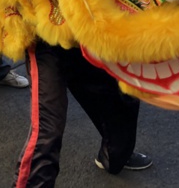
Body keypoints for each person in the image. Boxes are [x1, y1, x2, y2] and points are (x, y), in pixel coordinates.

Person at [13, 42, 152, 187]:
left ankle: (113, 155)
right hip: (44, 41)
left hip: (86, 34)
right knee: (47, 128)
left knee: (121, 96)